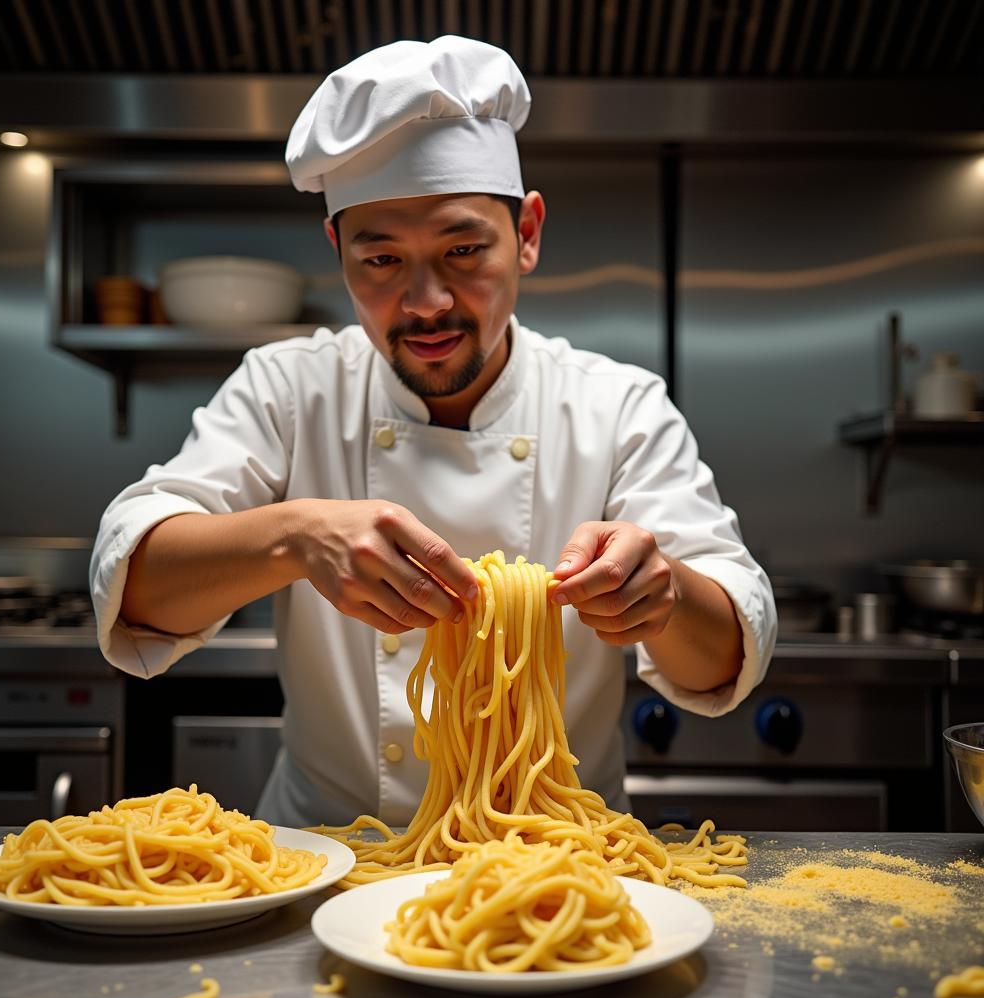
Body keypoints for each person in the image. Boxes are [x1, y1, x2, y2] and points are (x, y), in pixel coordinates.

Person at [90, 35, 776, 827]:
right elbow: (133, 584)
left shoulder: (617, 406)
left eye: (461, 250)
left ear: (527, 233)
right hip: (332, 858)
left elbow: (727, 649)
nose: (424, 302)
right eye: (380, 260)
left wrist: (666, 597)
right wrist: (295, 537)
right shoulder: (289, 388)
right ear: (337, 251)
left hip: (561, 866)